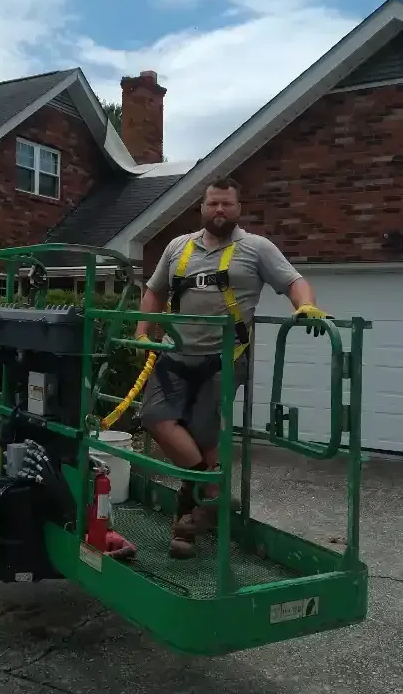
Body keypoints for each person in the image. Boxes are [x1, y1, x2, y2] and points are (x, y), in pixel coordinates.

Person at [133, 177, 329, 559]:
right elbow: (154, 290)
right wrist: (142, 332)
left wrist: (304, 306)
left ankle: (186, 525)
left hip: (225, 358)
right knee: (155, 417)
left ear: (238, 209)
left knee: (204, 431)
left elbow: (294, 281)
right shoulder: (177, 247)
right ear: (201, 208)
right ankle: (214, 491)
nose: (219, 210)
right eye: (213, 204)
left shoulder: (256, 248)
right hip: (177, 353)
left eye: (227, 204)